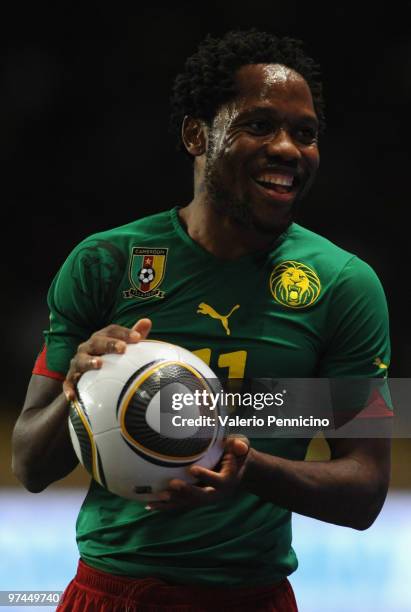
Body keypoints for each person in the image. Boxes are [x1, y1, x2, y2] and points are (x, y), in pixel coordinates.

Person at [12, 29, 391, 611]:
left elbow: (365, 490)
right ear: (197, 134)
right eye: (260, 125)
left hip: (253, 597)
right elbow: (30, 466)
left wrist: (244, 465)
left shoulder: (345, 285)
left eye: (305, 133)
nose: (288, 148)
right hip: (110, 593)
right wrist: (82, 386)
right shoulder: (106, 263)